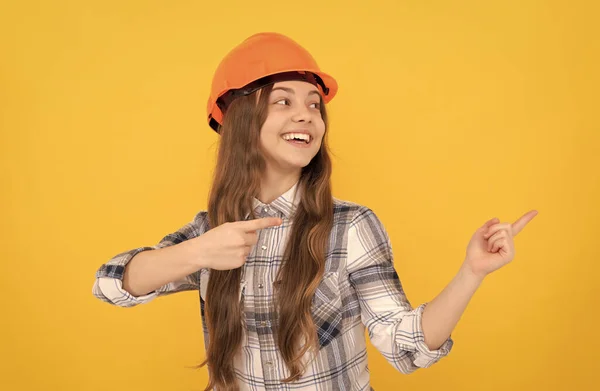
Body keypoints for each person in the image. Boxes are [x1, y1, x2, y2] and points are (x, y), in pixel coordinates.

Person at [92, 32, 538, 391]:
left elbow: (408, 348)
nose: (307, 115)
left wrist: (471, 272)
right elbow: (109, 284)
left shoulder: (350, 227)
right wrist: (196, 253)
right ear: (243, 121)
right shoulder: (211, 231)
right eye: (283, 101)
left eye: (313, 104)